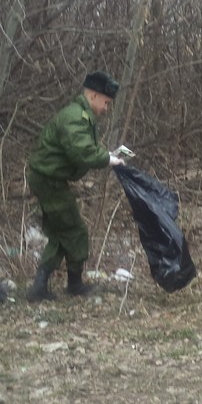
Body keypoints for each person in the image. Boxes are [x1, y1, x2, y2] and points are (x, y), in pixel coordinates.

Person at [26, 70, 123, 302]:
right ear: (93, 95)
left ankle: (43, 286)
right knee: (74, 231)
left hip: (49, 179)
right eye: (106, 103)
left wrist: (107, 155)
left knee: (63, 232)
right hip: (48, 180)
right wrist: (108, 159)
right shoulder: (76, 117)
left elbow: (84, 148)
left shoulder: (80, 116)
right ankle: (73, 284)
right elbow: (82, 152)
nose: (106, 109)